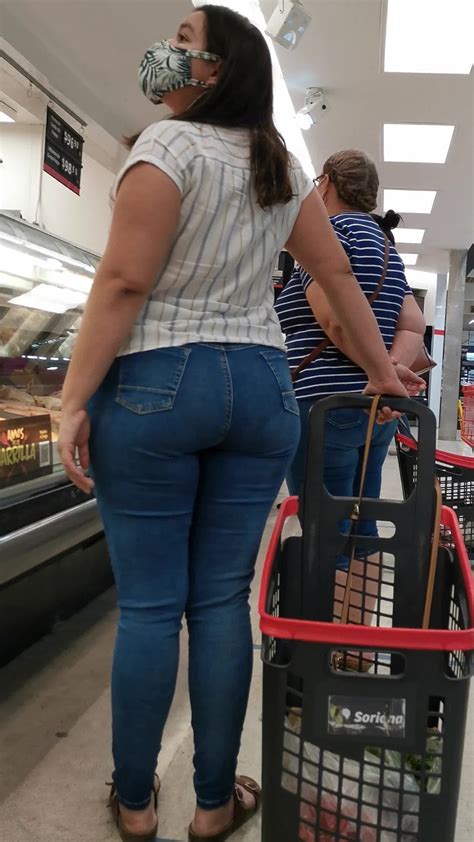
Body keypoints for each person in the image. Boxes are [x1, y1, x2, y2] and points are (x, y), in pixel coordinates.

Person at [58, 9, 419, 842]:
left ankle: (139, 803)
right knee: (221, 598)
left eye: (183, 42)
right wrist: (378, 371)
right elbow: (336, 276)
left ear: (216, 70)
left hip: (158, 380)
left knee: (151, 607)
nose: (165, 51)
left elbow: (121, 282)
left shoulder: (166, 150)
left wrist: (75, 398)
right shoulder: (278, 167)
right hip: (262, 386)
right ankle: (215, 804)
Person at [275, 149, 426, 625]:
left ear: (326, 183)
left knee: (325, 526)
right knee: (361, 526)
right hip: (375, 410)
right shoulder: (384, 245)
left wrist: (378, 373)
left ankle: (327, 646)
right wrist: (388, 378)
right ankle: (359, 641)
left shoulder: (331, 236)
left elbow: (334, 322)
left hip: (323, 404)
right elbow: (413, 324)